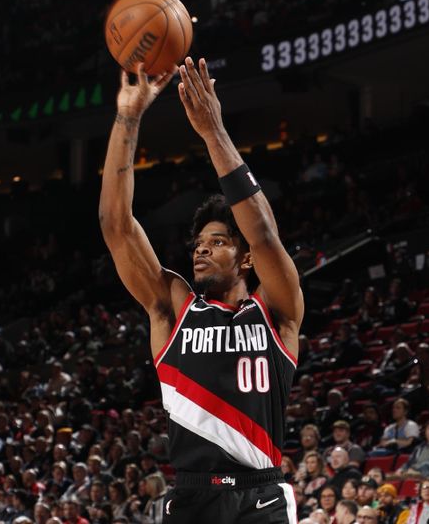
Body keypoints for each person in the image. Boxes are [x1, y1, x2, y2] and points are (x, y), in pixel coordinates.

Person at [99, 57, 304, 522]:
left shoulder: (276, 311)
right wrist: (128, 118)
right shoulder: (173, 307)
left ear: (245, 257)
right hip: (192, 497)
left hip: (262, 495)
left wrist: (213, 133)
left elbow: (265, 233)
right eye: (198, 243)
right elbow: (116, 226)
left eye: (218, 242)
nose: (202, 250)